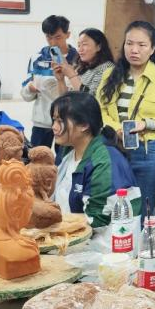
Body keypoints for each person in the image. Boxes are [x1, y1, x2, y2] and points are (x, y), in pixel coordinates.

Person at [97, 20, 155, 216]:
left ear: (152, 49)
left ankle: (144, 236)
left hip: (147, 150)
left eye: (141, 45)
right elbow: (99, 110)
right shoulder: (110, 75)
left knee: (144, 206)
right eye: (129, 43)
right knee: (112, 204)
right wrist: (116, 129)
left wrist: (146, 124)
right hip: (113, 147)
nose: (134, 50)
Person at [49, 92, 137, 227]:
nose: (54, 127)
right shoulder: (67, 152)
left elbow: (97, 219)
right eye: (54, 120)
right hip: (71, 235)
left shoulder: (104, 162)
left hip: (102, 238)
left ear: (84, 125)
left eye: (60, 121)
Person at [21, 15, 78, 150]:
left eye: (58, 37)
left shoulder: (78, 59)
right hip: (41, 122)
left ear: (68, 34)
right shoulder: (37, 58)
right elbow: (25, 95)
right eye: (49, 37)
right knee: (37, 157)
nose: (53, 42)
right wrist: (30, 88)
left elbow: (80, 92)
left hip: (67, 121)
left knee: (64, 159)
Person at [54, 28, 115, 95]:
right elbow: (65, 98)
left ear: (99, 47)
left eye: (84, 44)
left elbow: (91, 98)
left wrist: (72, 76)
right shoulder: (80, 67)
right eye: (79, 45)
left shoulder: (107, 68)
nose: (80, 49)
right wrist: (61, 80)